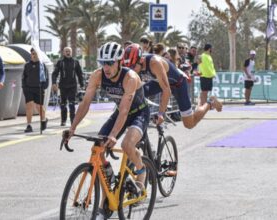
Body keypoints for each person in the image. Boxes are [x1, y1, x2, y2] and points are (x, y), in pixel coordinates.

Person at [65, 42, 149, 219]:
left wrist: (113, 135)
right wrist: (72, 128)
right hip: (120, 113)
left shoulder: (130, 78)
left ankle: (141, 170)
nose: (106, 67)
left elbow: (126, 110)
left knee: (126, 144)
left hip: (138, 113)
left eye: (110, 63)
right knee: (98, 148)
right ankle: (108, 187)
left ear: (119, 62)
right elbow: (85, 102)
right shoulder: (97, 76)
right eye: (103, 62)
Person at [122, 43, 223, 129]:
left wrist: (161, 114)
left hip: (178, 84)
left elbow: (167, 91)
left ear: (141, 60)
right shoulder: (135, 66)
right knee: (135, 93)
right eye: (129, 67)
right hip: (159, 82)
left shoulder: (154, 63)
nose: (132, 70)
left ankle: (210, 102)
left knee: (189, 124)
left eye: (133, 66)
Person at [51, 47, 84, 126]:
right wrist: (54, 83)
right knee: (63, 104)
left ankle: (73, 120)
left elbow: (79, 74)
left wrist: (82, 84)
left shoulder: (75, 62)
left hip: (72, 86)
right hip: (63, 86)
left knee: (72, 104)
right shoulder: (60, 62)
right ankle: (63, 120)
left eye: (69, 51)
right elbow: (54, 73)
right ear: (63, 53)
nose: (68, 52)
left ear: (71, 52)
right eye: (66, 51)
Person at [22, 48, 49, 133]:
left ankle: (44, 120)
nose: (34, 55)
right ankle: (29, 125)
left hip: (39, 88)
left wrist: (44, 86)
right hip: (29, 88)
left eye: (35, 53)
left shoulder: (42, 65)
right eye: (32, 53)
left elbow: (46, 77)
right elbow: (24, 77)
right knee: (29, 106)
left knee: (39, 107)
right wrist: (24, 87)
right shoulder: (27, 65)